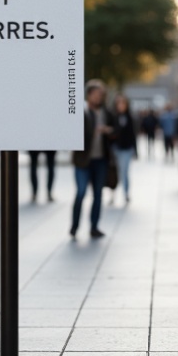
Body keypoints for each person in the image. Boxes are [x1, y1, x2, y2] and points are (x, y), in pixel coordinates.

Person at [71, 79, 113, 239]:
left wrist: (108, 131)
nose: (98, 97)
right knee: (81, 192)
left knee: (98, 194)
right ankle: (74, 226)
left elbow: (116, 129)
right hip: (83, 160)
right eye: (96, 94)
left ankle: (94, 226)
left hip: (100, 159)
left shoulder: (106, 112)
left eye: (101, 95)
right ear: (88, 94)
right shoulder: (79, 110)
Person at [111, 95, 137, 205]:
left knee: (124, 171)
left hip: (126, 148)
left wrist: (135, 150)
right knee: (114, 172)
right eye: (119, 103)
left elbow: (133, 134)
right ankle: (112, 193)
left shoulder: (129, 117)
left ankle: (126, 193)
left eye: (123, 103)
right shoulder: (113, 117)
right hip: (115, 148)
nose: (121, 106)